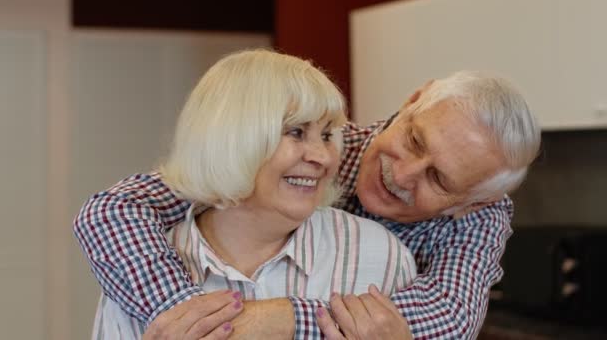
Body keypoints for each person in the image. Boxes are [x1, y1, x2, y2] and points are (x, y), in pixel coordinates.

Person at [74, 59, 541, 338]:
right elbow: (113, 210)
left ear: (469, 204)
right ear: (412, 101)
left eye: (438, 178)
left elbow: (450, 320)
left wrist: (277, 322)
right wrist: (184, 315)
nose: (401, 173)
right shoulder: (333, 145)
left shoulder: (403, 251)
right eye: (415, 141)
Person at [88, 49, 417, 339]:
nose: (323, 156)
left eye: (328, 134)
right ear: (232, 138)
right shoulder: (136, 274)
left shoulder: (380, 256)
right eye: (296, 132)